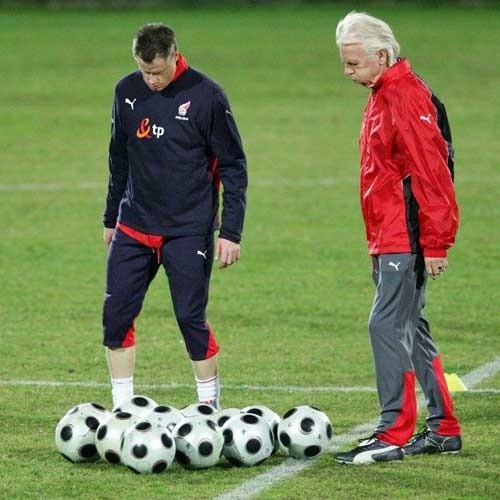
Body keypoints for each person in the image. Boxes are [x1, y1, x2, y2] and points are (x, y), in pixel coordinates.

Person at [333, 12, 462, 465]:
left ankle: (391, 434)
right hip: (387, 233)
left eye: (352, 63)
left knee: (386, 325)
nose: (346, 72)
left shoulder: (405, 97)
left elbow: (432, 173)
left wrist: (437, 241)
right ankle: (444, 428)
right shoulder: (383, 92)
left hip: (404, 236)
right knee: (411, 327)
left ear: (382, 55)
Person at [102, 22, 247, 410]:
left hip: (188, 229)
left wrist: (230, 231)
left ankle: (207, 408)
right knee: (116, 315)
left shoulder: (206, 95)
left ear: (173, 56)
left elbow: (233, 165)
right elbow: (119, 158)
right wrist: (110, 217)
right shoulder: (125, 91)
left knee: (189, 317)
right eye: (144, 71)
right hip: (134, 225)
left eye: (158, 72)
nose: (150, 80)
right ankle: (122, 408)